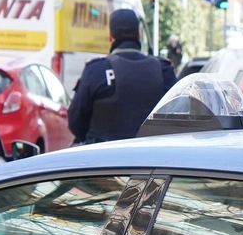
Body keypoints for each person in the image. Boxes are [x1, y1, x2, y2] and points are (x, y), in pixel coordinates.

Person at [69, 9, 175, 144]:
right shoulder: (163, 70)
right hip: (153, 159)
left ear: (110, 37)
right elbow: (181, 116)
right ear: (139, 35)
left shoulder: (96, 70)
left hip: (104, 160)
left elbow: (76, 122)